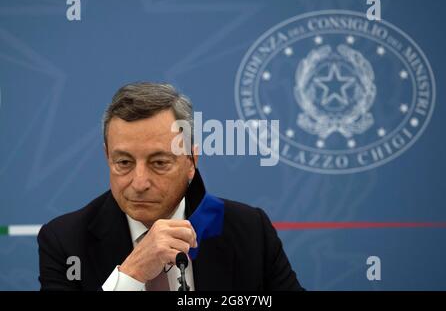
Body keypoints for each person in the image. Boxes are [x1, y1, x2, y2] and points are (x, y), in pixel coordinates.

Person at [37, 82, 303, 291]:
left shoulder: (249, 230)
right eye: (124, 162)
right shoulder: (65, 241)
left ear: (191, 162)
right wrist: (131, 275)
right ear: (108, 157)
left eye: (159, 162)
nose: (139, 183)